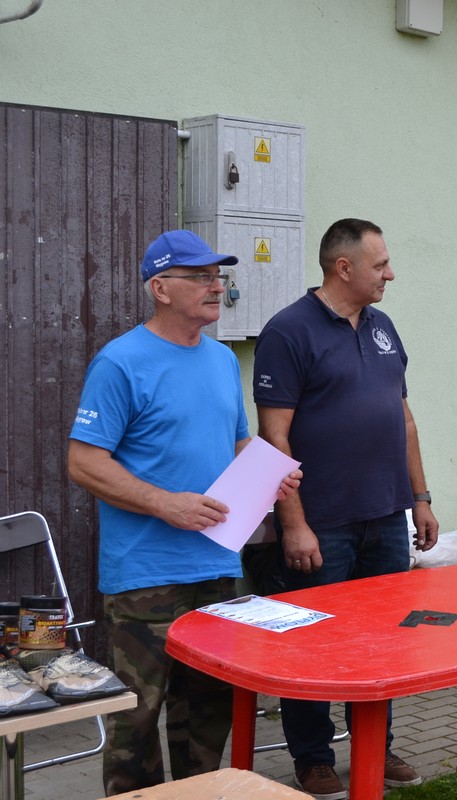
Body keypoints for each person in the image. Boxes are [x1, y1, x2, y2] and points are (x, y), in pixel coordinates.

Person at [67, 229, 301, 795]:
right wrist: (163, 503)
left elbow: (235, 441)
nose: (216, 286)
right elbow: (83, 462)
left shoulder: (221, 360)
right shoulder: (120, 362)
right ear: (160, 288)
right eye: (200, 277)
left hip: (217, 566)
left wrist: (269, 472)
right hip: (145, 575)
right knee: (136, 716)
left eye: (218, 276)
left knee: (207, 710)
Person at [253, 218, 439, 799]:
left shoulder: (382, 326)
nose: (390, 274)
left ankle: (376, 746)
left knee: (382, 642)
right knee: (312, 644)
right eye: (380, 265)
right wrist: (294, 523)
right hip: (322, 523)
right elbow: (273, 437)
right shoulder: (288, 331)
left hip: (385, 516)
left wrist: (420, 498)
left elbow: (403, 418)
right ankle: (312, 758)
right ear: (344, 268)